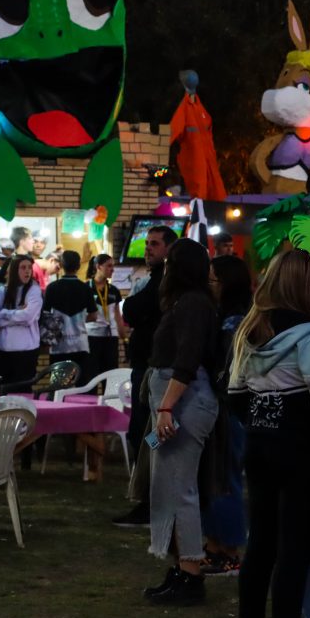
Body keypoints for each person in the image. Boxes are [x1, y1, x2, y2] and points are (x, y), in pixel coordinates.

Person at [227, 250, 310, 618]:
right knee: (295, 552)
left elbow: (235, 395)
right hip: (302, 454)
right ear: (308, 287)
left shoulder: (251, 330)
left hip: (259, 447)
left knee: (260, 546)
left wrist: (262, 422)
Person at [142, 238, 219, 605]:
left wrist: (166, 408)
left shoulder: (191, 303)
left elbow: (186, 361)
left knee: (180, 489)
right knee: (170, 486)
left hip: (183, 403)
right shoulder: (189, 302)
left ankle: (190, 574)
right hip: (178, 402)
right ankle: (181, 568)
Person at [113, 225, 178, 528]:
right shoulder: (156, 280)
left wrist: (134, 308)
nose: (148, 248)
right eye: (147, 243)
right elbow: (131, 311)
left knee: (149, 436)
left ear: (169, 249)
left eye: (155, 244)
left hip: (157, 371)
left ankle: (153, 500)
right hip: (146, 368)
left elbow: (134, 309)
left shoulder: (166, 283)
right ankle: (149, 497)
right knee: (141, 433)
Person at [199, 254, 252, 578]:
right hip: (222, 408)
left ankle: (230, 552)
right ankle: (215, 547)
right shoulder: (228, 318)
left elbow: (229, 371)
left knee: (225, 480)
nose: (209, 285)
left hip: (229, 410)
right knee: (214, 479)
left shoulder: (235, 323)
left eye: (213, 280)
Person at [42, 251, 97, 383]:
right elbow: (94, 316)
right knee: (82, 386)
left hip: (58, 345)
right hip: (80, 344)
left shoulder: (52, 288)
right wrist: (79, 320)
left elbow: (45, 315)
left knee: (57, 386)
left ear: (61, 265)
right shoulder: (85, 288)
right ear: (78, 266)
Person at [0, 254, 42, 387]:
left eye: (29, 267)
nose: (27, 271)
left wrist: (5, 313)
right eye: (23, 267)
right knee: (2, 391)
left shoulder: (34, 290)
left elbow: (28, 317)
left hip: (26, 352)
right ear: (14, 270)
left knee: (23, 392)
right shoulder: (2, 291)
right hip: (3, 351)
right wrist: (19, 315)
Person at [85, 254, 127, 376]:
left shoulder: (114, 290)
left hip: (110, 338)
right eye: (109, 266)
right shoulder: (85, 288)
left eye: (113, 266)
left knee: (110, 375)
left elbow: (117, 315)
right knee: (91, 374)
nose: (112, 269)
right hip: (91, 336)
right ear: (98, 267)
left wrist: (124, 338)